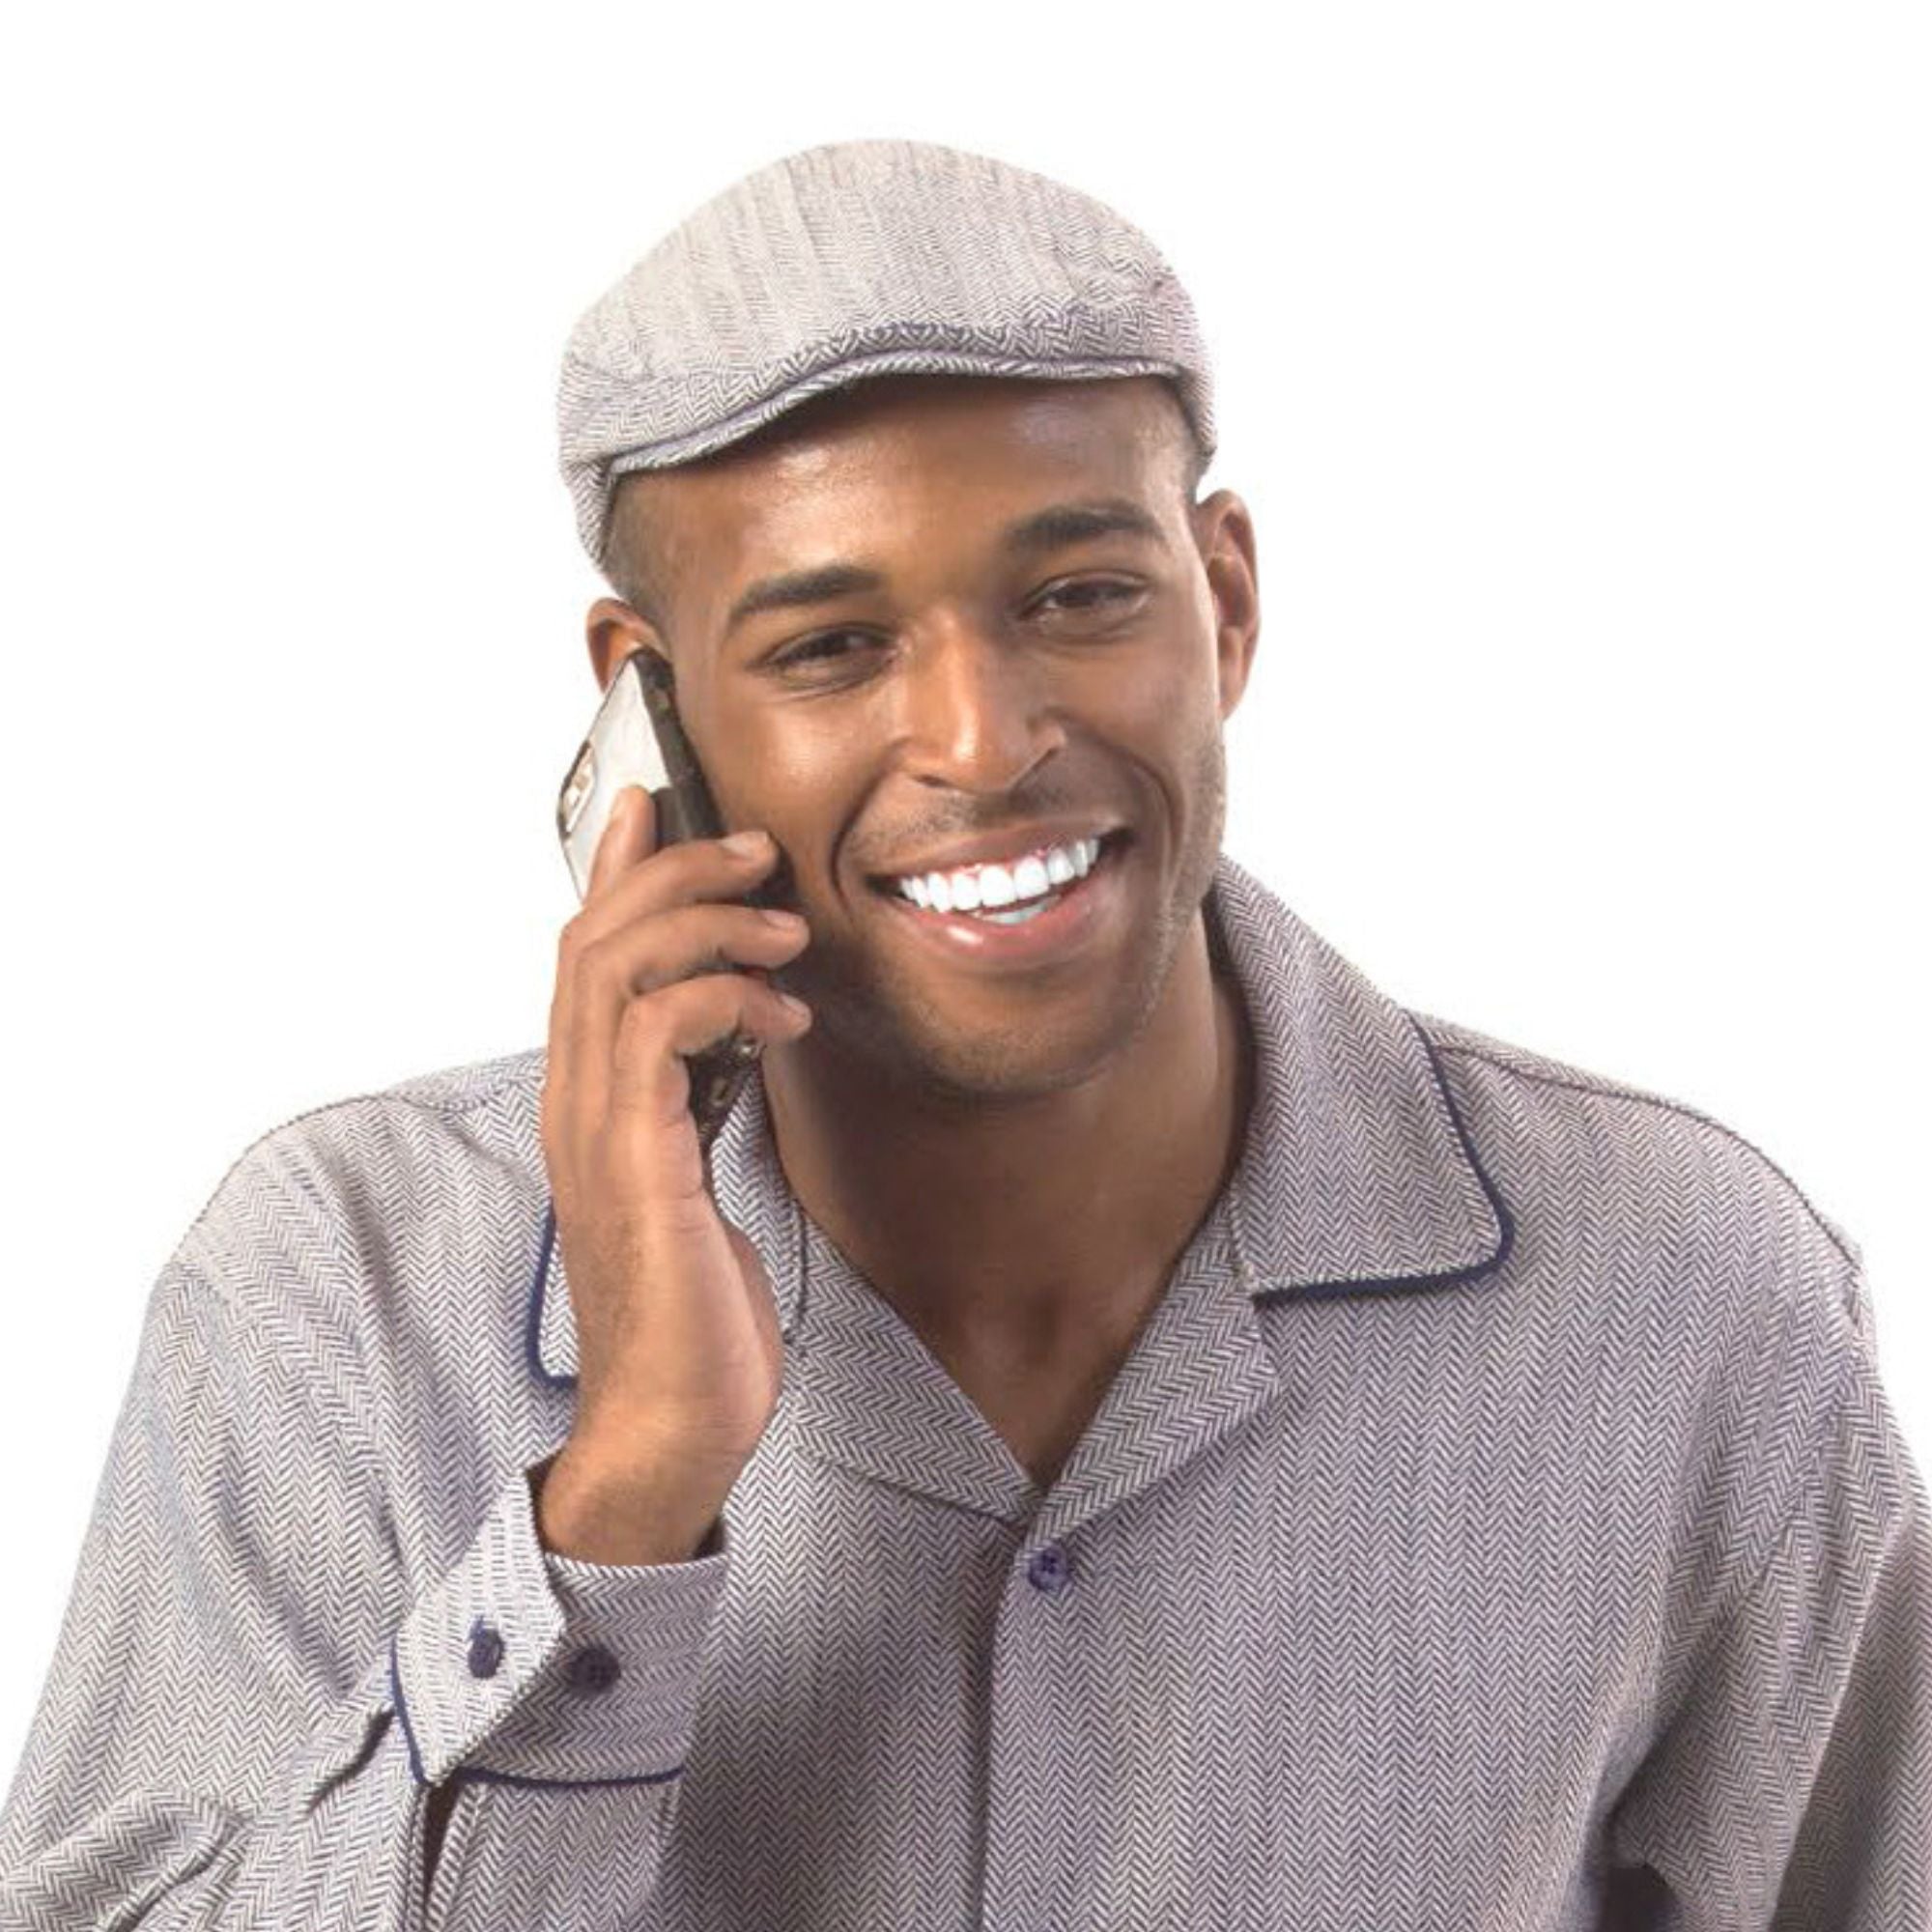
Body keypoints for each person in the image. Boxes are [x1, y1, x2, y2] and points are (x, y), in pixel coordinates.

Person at [1, 137, 1925, 1932]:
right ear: (650, 709)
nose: (986, 742)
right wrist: (624, 1497)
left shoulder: (1686, 1297)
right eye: (831, 646)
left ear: (1223, 602)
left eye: (1079, 595)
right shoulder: (341, 1297)